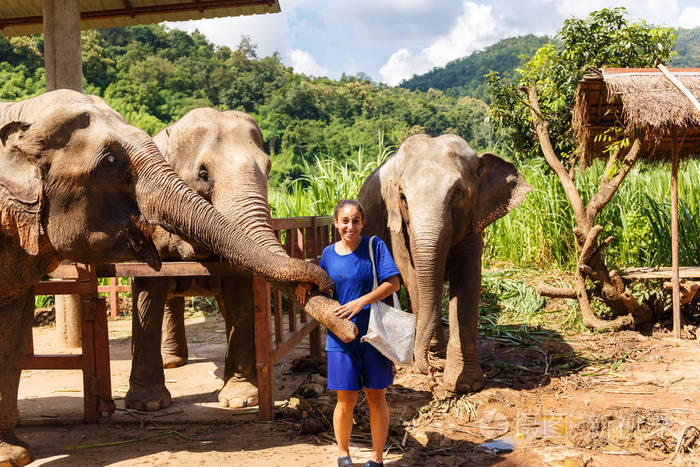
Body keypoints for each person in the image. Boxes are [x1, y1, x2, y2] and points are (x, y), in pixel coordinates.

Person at [297, 199, 400, 467]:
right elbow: (324, 284)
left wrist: (361, 301)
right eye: (345, 221)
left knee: (376, 395)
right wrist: (308, 283)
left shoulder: (374, 246)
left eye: (355, 220)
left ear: (362, 223)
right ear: (336, 224)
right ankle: (344, 454)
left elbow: (393, 283)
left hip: (374, 335)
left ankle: (377, 458)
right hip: (340, 338)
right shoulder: (329, 253)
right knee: (345, 399)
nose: (350, 226)